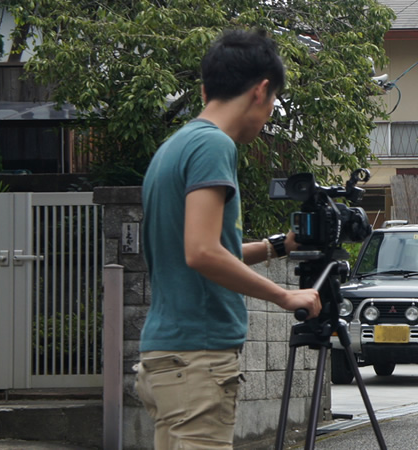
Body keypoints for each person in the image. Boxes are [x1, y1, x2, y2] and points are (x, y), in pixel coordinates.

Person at [135, 29, 321, 449]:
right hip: (198, 360)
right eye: (273, 102)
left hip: (167, 356)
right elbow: (202, 253)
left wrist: (276, 246)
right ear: (261, 91)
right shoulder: (214, 146)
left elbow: (200, 250)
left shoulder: (174, 147)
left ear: (205, 90)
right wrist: (285, 296)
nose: (270, 113)